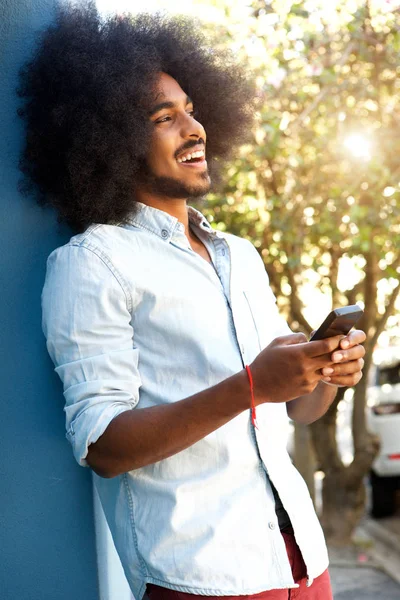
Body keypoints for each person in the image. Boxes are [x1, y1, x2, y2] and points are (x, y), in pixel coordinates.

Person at [18, 4, 366, 599]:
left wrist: (325, 372)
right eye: (165, 117)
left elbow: (297, 410)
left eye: (193, 111)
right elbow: (104, 446)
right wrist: (251, 384)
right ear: (112, 141)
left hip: (301, 562)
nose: (194, 129)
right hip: (201, 578)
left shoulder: (240, 255)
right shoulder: (93, 263)